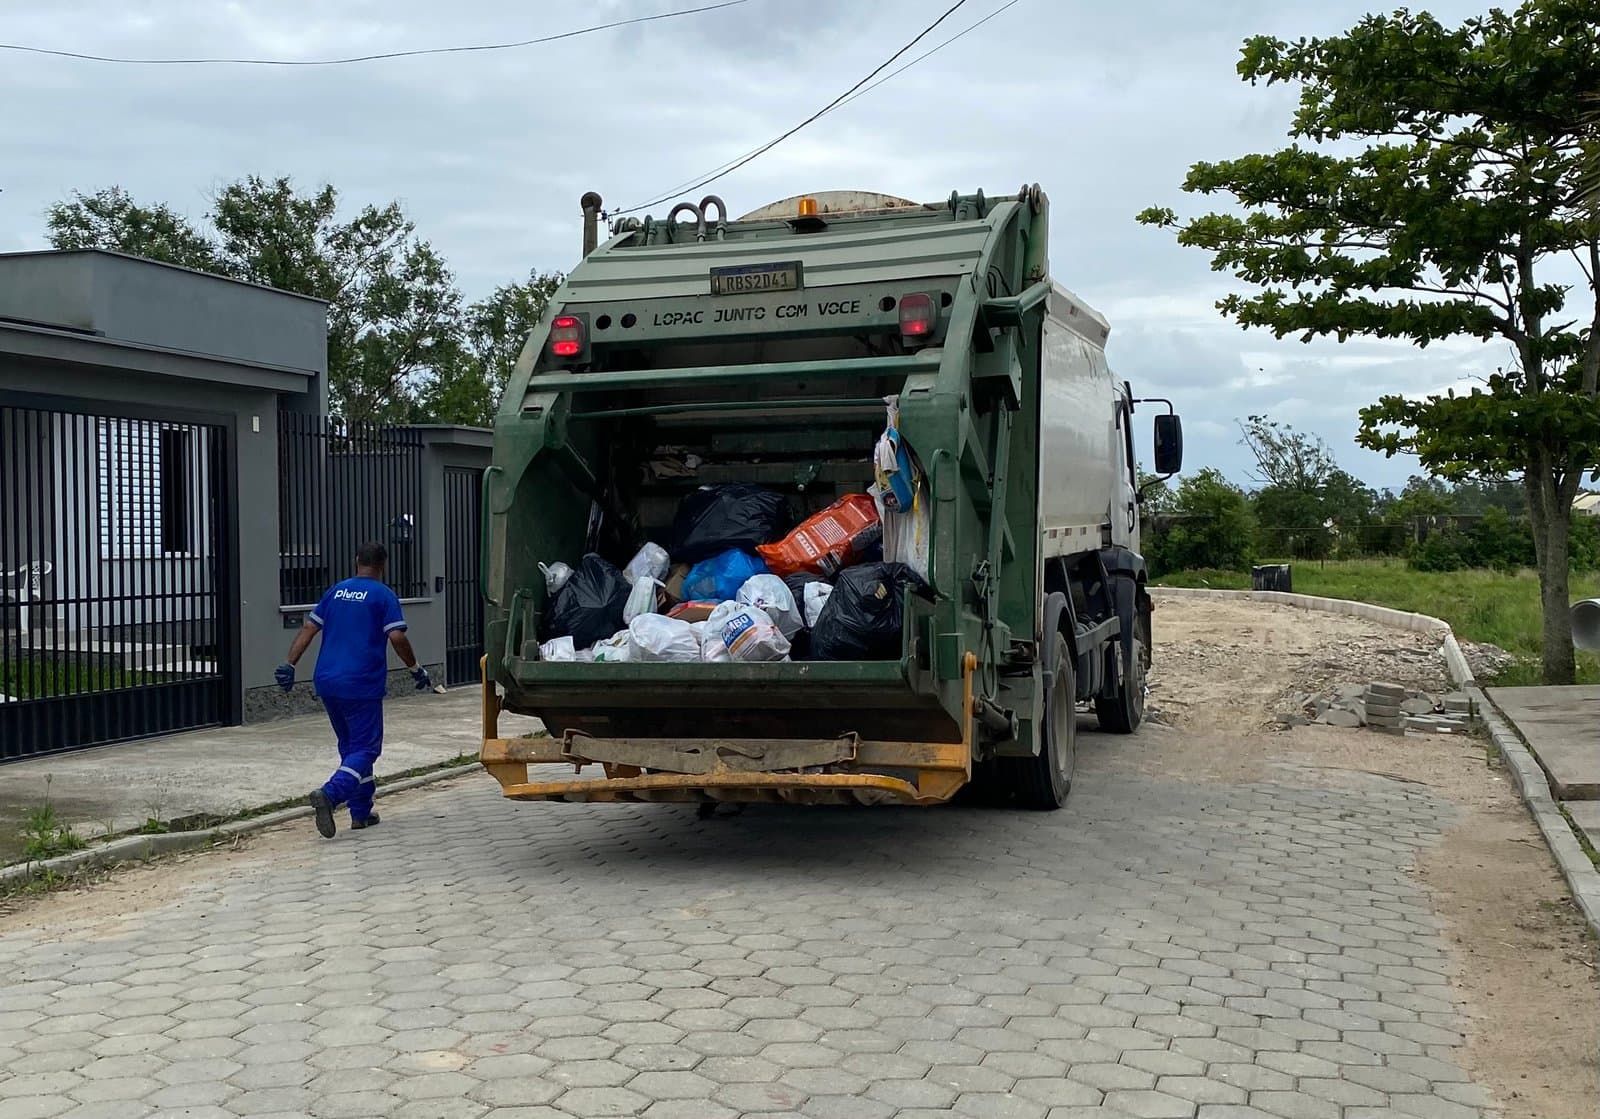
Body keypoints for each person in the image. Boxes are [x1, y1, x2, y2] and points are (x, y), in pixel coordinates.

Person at [276, 542, 430, 838]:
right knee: (367, 748)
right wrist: (415, 668)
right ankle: (330, 795)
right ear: (383, 565)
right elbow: (396, 636)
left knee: (351, 748)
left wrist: (289, 664)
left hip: (327, 681)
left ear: (355, 560)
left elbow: (309, 628)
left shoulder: (335, 591)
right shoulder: (383, 596)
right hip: (360, 683)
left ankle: (361, 813)